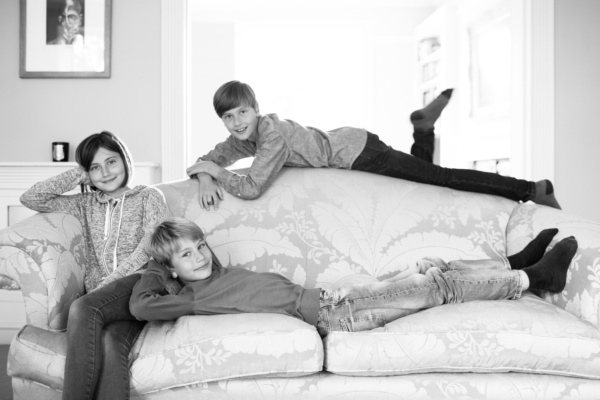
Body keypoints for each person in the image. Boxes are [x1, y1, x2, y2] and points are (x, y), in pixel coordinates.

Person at [129, 217, 576, 338]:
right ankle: (532, 279)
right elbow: (140, 305)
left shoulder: (220, 275)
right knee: (434, 287)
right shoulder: (193, 297)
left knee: (426, 268)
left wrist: (177, 255)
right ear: (172, 269)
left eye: (201, 245)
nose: (201, 257)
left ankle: (508, 261)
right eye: (186, 256)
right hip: (335, 313)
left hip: (334, 295)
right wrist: (156, 264)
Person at [186, 80, 560, 211]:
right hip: (353, 142)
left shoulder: (270, 135)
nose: (236, 122)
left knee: (440, 178)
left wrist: (215, 173)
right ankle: (423, 128)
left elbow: (251, 187)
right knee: (424, 181)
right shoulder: (245, 135)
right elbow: (207, 159)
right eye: (228, 117)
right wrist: (205, 176)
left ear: (255, 109)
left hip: (361, 153)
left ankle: (533, 189)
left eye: (242, 112)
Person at [20, 131, 167, 400]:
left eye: (111, 162)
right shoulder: (86, 204)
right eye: (95, 168)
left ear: (124, 160)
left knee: (82, 307)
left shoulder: (148, 196)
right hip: (109, 299)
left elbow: (149, 247)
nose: (106, 172)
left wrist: (106, 285)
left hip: (140, 283)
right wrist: (76, 175)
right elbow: (32, 198)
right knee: (111, 344)